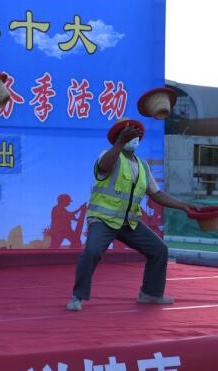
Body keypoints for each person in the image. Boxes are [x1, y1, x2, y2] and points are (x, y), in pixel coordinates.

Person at [66, 117, 192, 311]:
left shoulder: (143, 166)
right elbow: (104, 167)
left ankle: (150, 294)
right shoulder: (109, 156)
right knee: (92, 251)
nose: (132, 138)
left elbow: (156, 193)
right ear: (119, 138)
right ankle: (78, 297)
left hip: (129, 223)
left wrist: (183, 206)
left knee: (159, 249)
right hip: (103, 220)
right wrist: (119, 143)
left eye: (135, 135)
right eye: (127, 135)